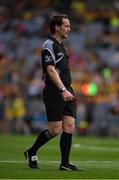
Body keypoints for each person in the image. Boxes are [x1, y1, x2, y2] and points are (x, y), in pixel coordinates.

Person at [24, 14, 83, 171]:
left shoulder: (60, 44)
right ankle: (31, 151)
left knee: (69, 125)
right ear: (57, 27)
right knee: (55, 130)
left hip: (67, 89)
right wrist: (62, 89)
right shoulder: (48, 45)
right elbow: (50, 70)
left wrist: (67, 89)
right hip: (54, 91)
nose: (69, 29)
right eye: (67, 26)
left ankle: (65, 163)